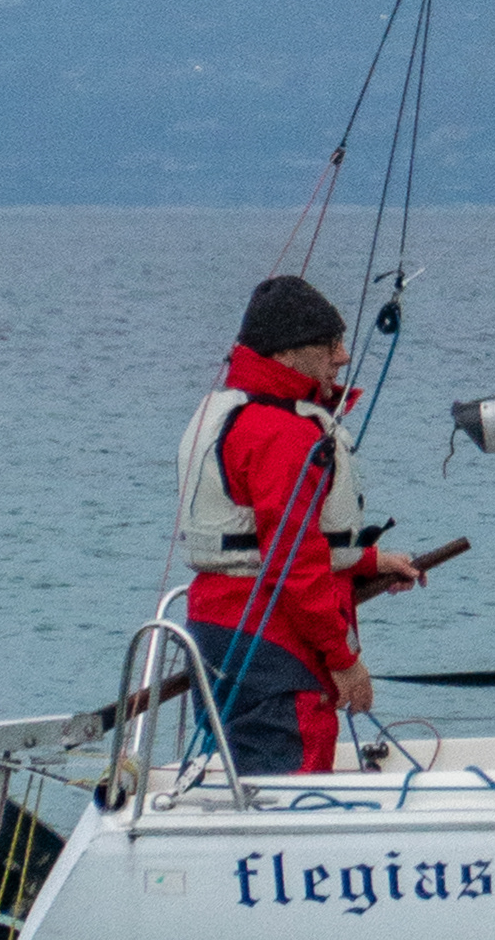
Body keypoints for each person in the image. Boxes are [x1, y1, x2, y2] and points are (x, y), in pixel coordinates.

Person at [175, 272, 424, 776]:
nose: (343, 357)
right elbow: (293, 561)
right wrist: (343, 659)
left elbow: (271, 541)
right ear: (288, 352)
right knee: (291, 784)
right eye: (330, 344)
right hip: (273, 642)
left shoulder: (233, 413)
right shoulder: (280, 432)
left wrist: (369, 561)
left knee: (244, 775)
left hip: (218, 628)